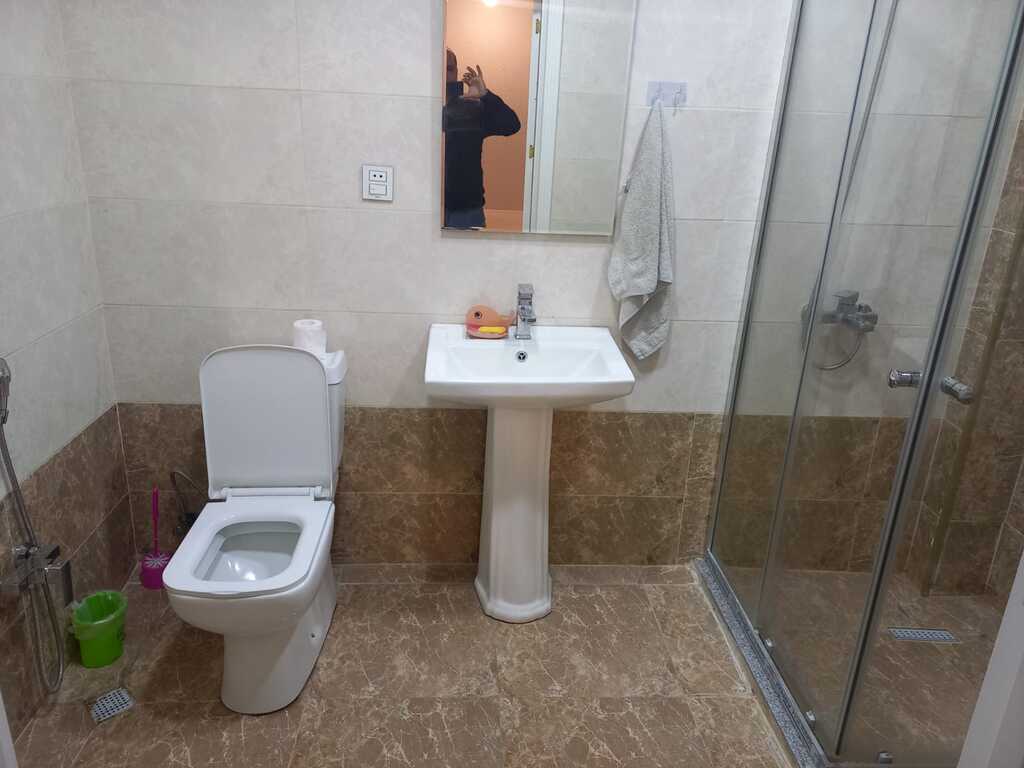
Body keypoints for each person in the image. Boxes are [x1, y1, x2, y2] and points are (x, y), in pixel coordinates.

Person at [443, 49, 521, 228]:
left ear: (456, 71)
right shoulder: (422, 106)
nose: (445, 74)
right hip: (426, 204)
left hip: (467, 210)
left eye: (449, 69)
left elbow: (512, 125)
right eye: (441, 68)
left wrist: (486, 95)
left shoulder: (471, 107)